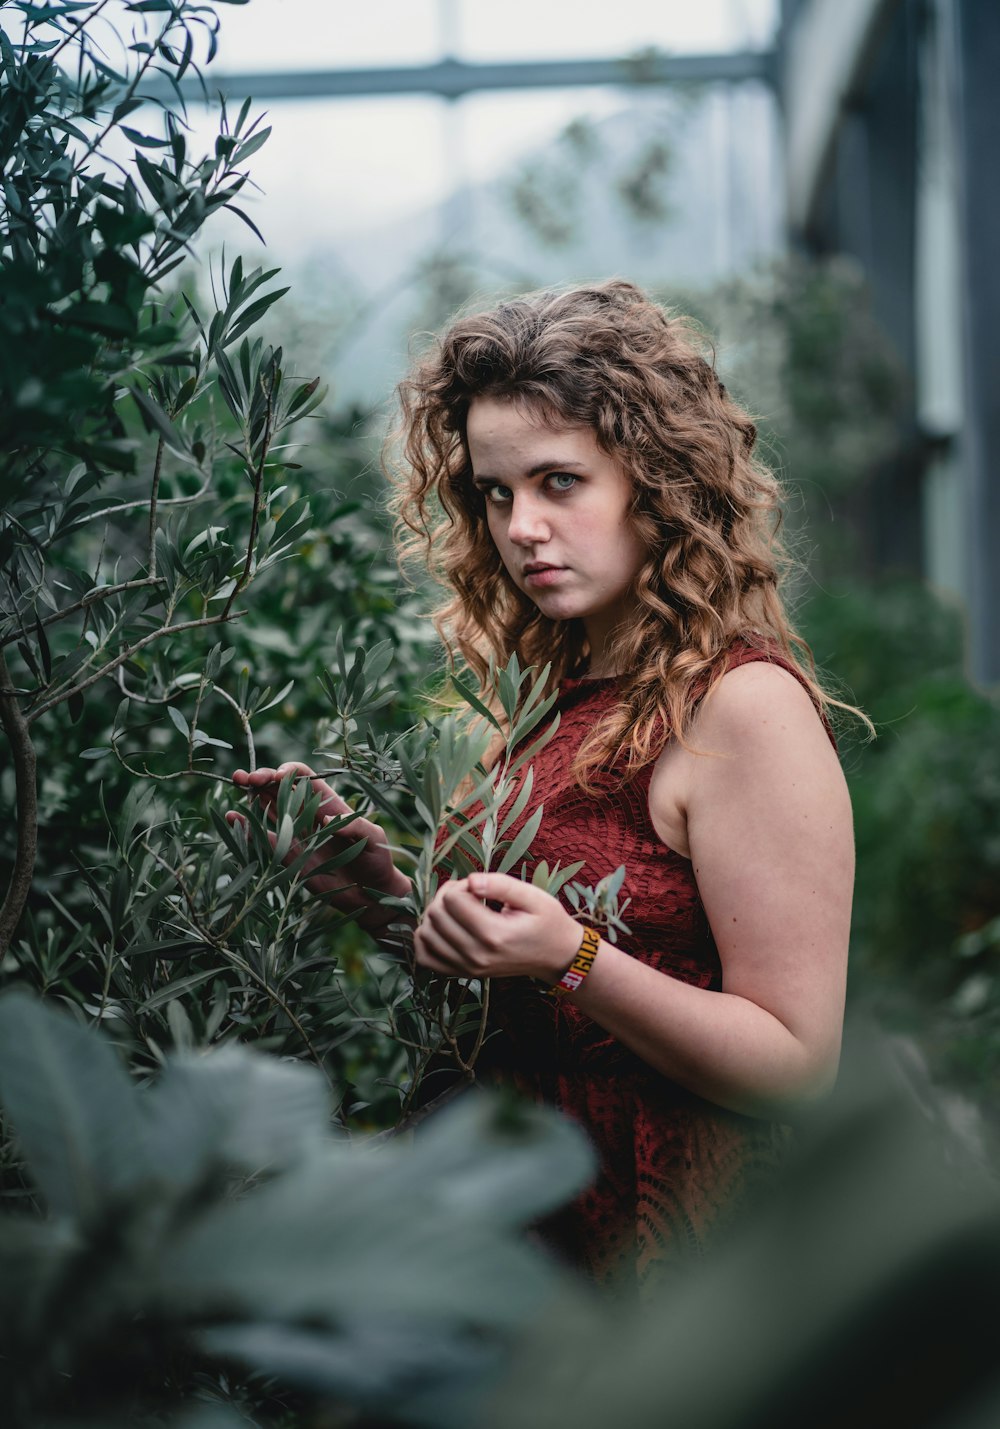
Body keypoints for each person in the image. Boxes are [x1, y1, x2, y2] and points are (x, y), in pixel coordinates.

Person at [233, 280, 860, 1298]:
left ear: (653, 482)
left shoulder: (740, 710)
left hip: (665, 1264)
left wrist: (572, 957)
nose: (521, 526)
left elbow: (794, 1062)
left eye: (559, 482)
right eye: (494, 490)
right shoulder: (551, 703)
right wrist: (386, 898)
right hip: (507, 1231)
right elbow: (523, 991)